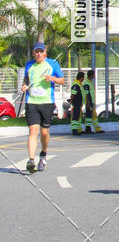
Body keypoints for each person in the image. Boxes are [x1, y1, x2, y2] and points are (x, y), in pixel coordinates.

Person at [22, 41, 65, 172]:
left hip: (47, 102)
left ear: (45, 52)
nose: (39, 54)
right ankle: (31, 160)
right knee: (33, 131)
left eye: (41, 51)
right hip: (32, 102)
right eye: (37, 51)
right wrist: (24, 86)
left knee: (44, 132)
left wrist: (52, 78)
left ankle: (43, 153)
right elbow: (26, 80)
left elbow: (62, 80)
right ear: (34, 53)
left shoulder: (53, 64)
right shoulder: (29, 65)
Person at [82, 68, 104, 134]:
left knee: (93, 115)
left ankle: (95, 129)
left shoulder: (89, 83)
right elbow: (87, 94)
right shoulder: (86, 83)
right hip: (89, 102)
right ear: (91, 75)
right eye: (93, 75)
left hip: (91, 102)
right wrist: (88, 103)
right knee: (89, 116)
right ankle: (89, 129)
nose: (94, 76)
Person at [70, 70, 86, 135]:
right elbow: (73, 94)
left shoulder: (79, 84)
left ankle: (78, 129)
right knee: (75, 116)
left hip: (79, 103)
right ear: (81, 77)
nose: (83, 79)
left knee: (78, 116)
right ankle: (74, 130)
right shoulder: (76, 85)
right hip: (76, 103)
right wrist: (71, 101)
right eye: (83, 77)